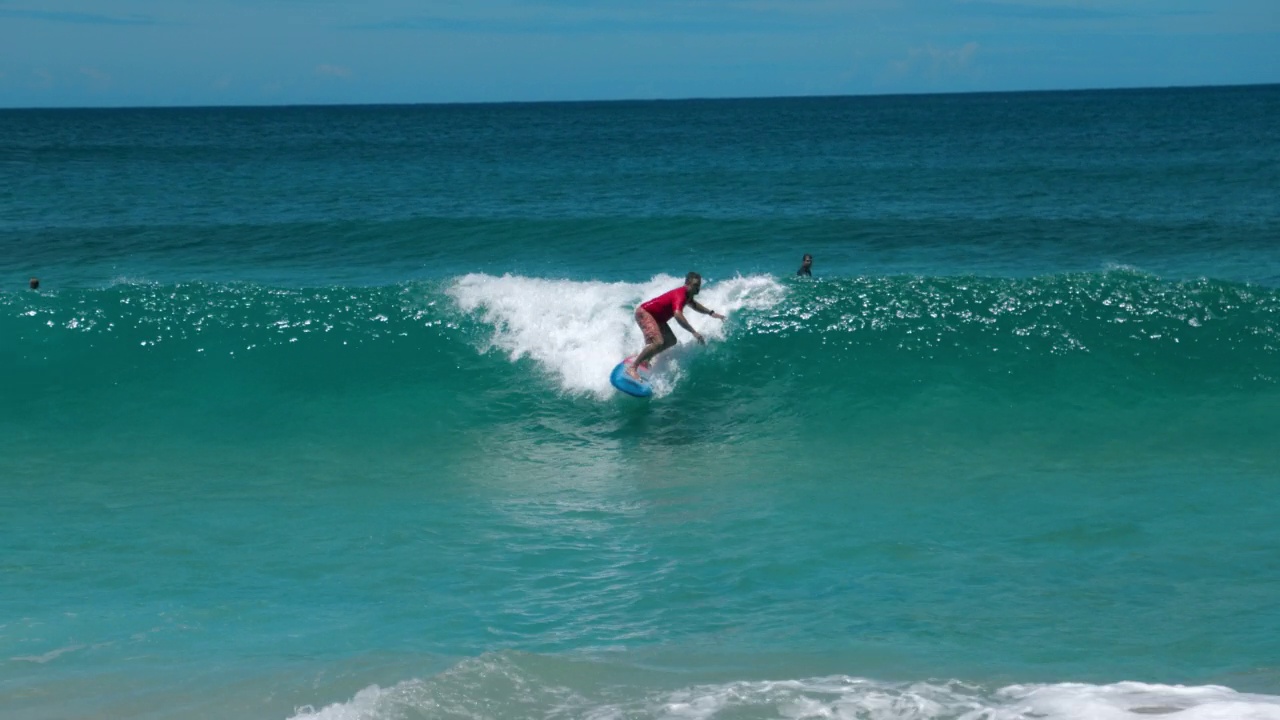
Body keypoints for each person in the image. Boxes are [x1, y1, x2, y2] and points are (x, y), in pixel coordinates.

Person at [627, 272, 724, 380]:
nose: (698, 288)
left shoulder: (688, 296)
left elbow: (694, 305)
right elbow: (677, 314)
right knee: (658, 342)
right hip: (645, 313)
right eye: (695, 285)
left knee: (671, 340)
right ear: (687, 284)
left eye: (699, 285)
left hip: (657, 318)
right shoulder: (680, 295)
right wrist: (693, 332)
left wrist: (711, 313)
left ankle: (645, 359)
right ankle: (632, 367)